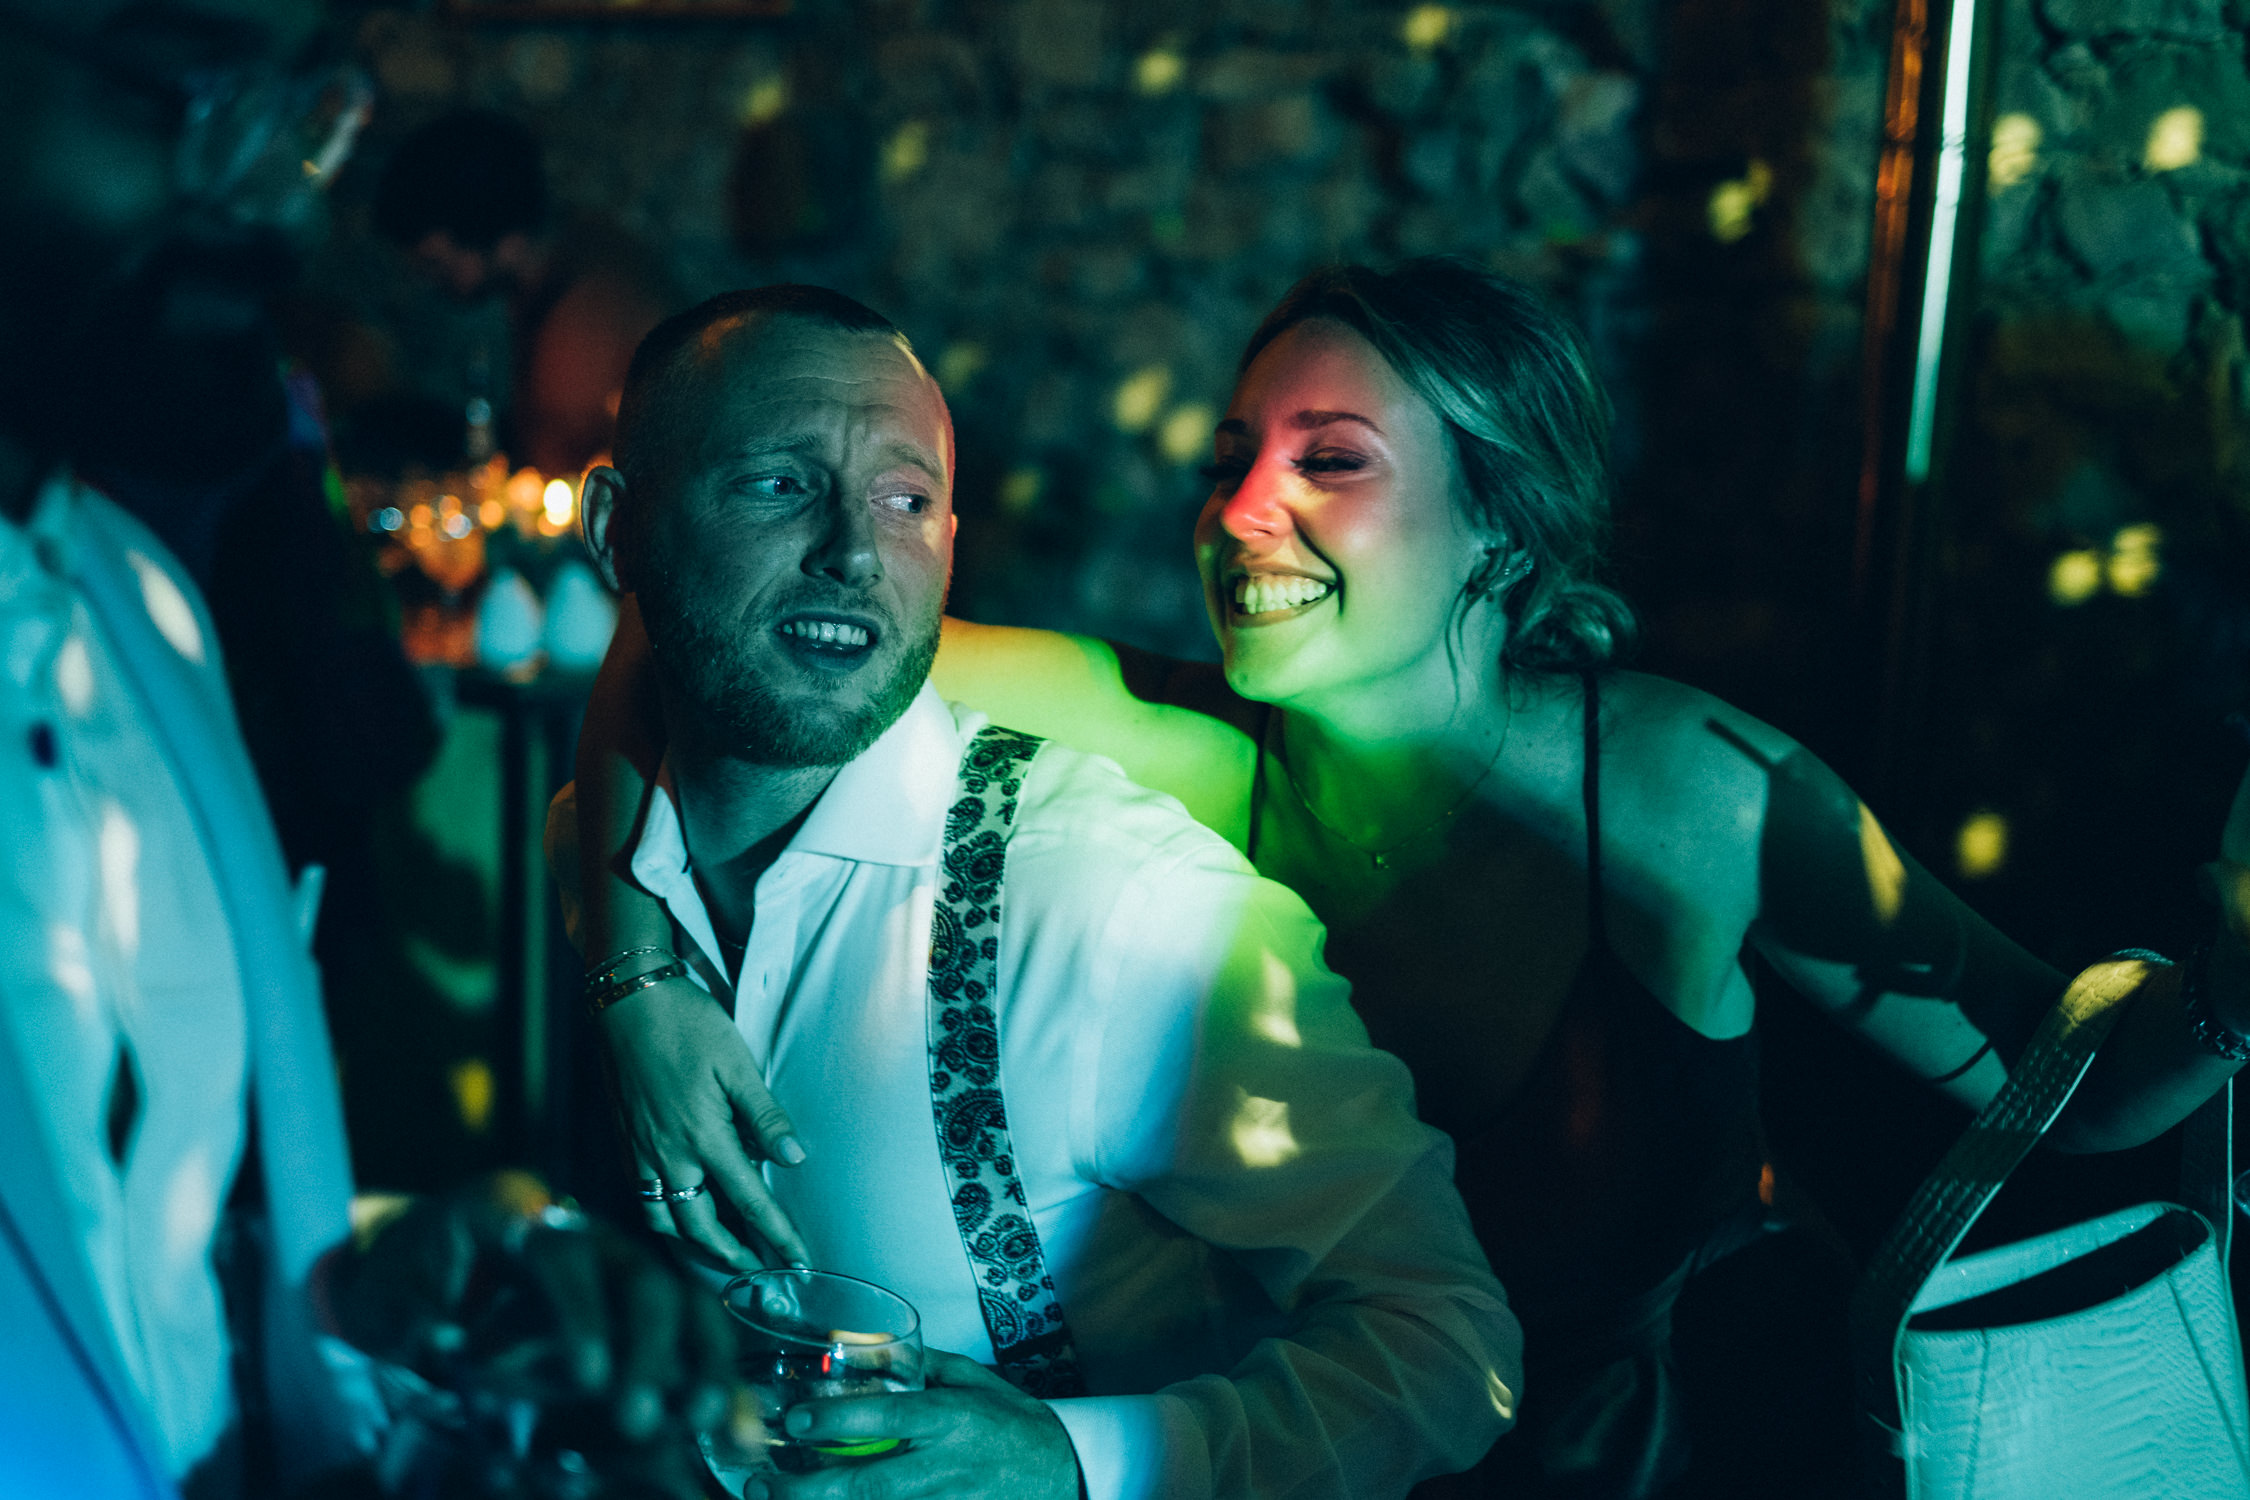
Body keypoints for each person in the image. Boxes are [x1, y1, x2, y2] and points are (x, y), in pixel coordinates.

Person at [572, 258, 2250, 1497]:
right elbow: (723, 645)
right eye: (1233, 455)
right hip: (1348, 1458)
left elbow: (2061, 1084)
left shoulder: (1672, 792)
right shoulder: (1180, 743)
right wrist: (636, 974)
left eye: (1332, 460)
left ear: (1497, 524)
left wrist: (2228, 995)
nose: (1242, 508)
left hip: (1686, 1464)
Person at [547, 284, 1524, 1500]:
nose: (853, 551)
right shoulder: (594, 856)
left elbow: (1451, 1347)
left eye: (905, 500)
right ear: (617, 530)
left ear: (950, 543)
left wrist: (1077, 1460)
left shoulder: (1123, 912)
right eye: (778, 483)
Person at [0, 4, 728, 1495]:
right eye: (189, 83)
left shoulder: (135, 608)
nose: (281, 205)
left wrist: (372, 1296)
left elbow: (132, 1254)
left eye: (303, 114)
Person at [373, 108, 674, 477]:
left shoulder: (584, 318)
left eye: (435, 263)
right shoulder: (567, 265)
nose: (428, 281)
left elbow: (562, 463)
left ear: (503, 240)